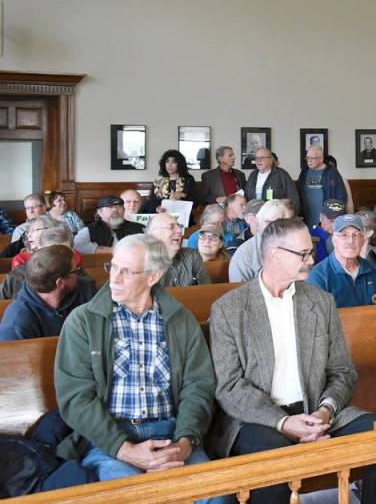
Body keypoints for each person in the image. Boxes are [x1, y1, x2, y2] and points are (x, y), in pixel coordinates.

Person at [209, 218, 376, 504]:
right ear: (275, 254)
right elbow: (230, 387)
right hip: (257, 418)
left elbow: (342, 371)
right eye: (302, 254)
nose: (311, 259)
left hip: (317, 411)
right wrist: (283, 422)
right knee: (276, 463)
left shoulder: (320, 301)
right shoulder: (229, 308)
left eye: (309, 252)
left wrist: (324, 412)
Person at [54, 235, 226, 502]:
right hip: (109, 438)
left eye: (126, 271)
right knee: (135, 497)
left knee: (214, 497)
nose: (114, 278)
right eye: (112, 267)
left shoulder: (180, 321)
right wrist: (125, 450)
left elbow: (199, 386)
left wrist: (185, 442)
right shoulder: (84, 321)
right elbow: (76, 398)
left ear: (153, 276)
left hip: (172, 433)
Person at [0, 245, 97, 341]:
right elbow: (14, 355)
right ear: (60, 282)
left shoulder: (86, 290)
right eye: (75, 270)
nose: (79, 274)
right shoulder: (16, 324)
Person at [308, 213, 376, 308]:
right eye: (344, 235)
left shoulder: (375, 271)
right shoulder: (318, 276)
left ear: (363, 240)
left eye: (356, 235)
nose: (350, 241)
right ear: (334, 240)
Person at [229, 199, 294, 283]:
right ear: (260, 223)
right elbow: (239, 292)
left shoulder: (296, 248)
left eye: (283, 223)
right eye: (269, 222)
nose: (276, 228)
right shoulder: (244, 254)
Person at [145, 212, 210, 287]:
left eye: (179, 226)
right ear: (154, 234)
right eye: (171, 227)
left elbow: (207, 291)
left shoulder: (192, 256)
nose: (179, 231)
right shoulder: (142, 261)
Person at [297, 145, 354, 224]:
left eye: (313, 158)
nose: (309, 161)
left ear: (321, 159)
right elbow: (299, 194)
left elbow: (341, 198)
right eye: (307, 158)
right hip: (307, 220)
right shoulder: (304, 172)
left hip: (328, 222)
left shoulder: (332, 173)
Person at [74, 195, 145, 255]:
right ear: (99, 212)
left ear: (124, 211)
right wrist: (116, 250)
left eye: (119, 207)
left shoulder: (139, 228)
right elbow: (77, 245)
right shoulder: (90, 230)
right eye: (110, 207)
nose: (115, 210)